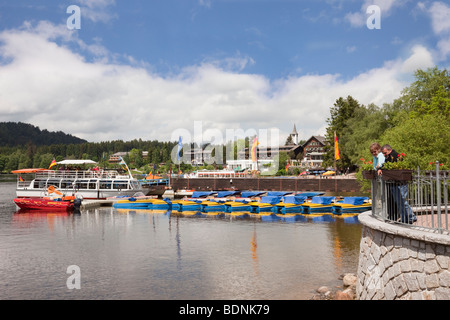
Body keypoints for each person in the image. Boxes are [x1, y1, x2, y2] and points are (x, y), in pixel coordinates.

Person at [381, 144, 417, 224]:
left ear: (389, 150)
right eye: (383, 153)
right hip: (395, 183)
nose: (384, 154)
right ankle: (405, 218)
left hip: (400, 183)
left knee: (402, 201)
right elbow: (386, 166)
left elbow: (394, 167)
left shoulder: (394, 156)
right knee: (400, 202)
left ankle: (411, 217)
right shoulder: (389, 157)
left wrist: (383, 168)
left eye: (385, 152)